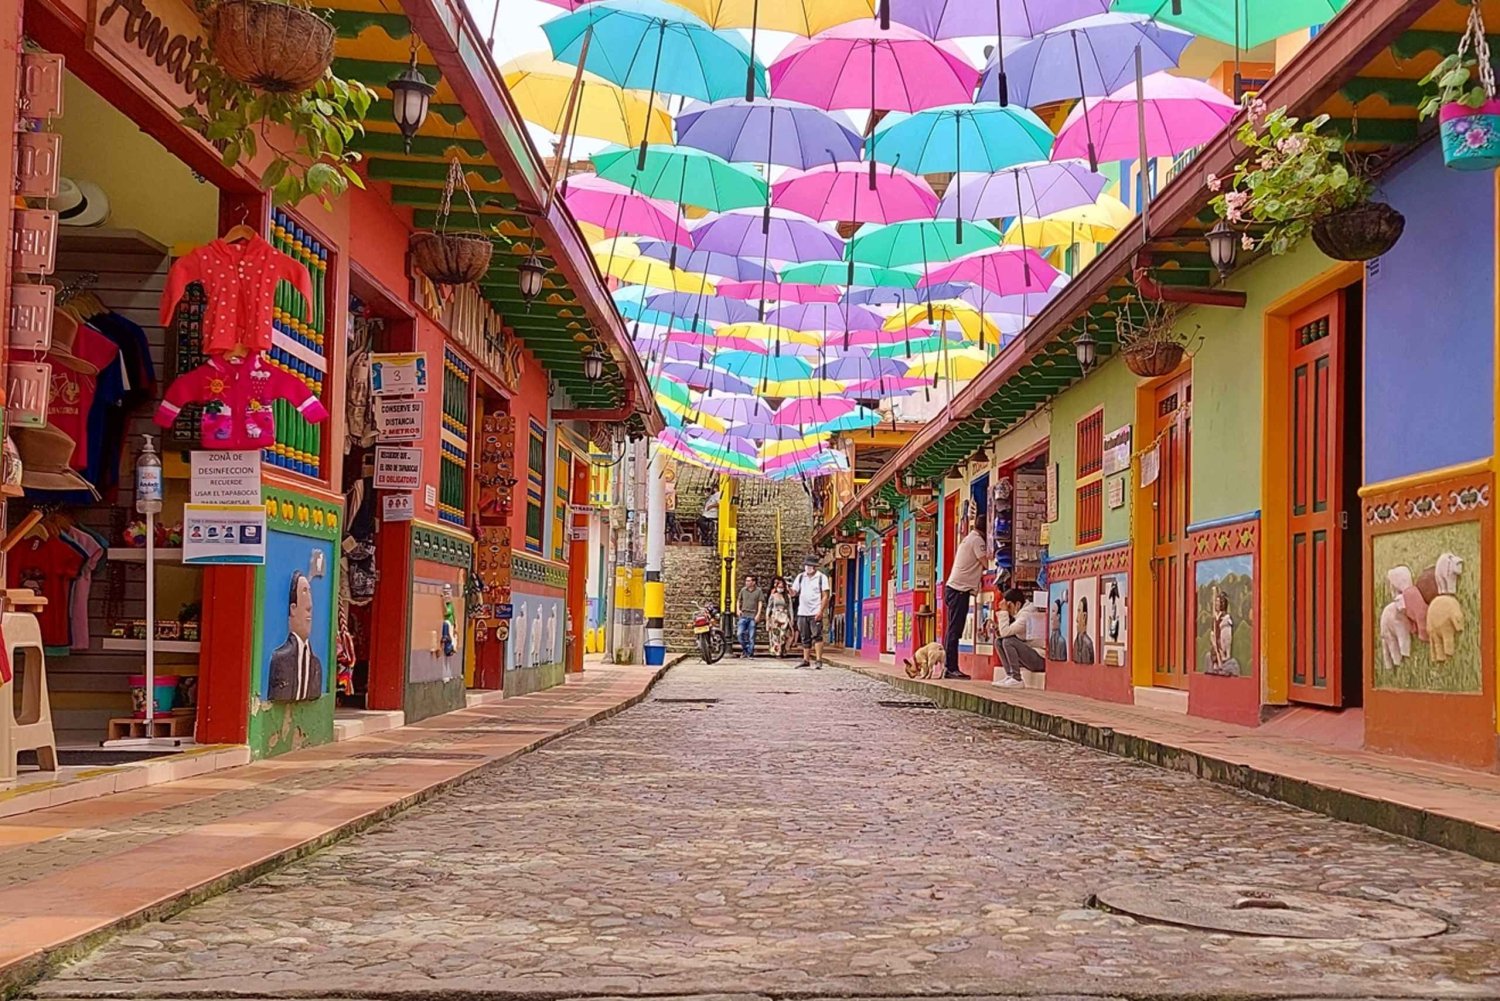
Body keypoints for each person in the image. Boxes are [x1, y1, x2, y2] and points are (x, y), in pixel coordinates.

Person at [943, 517, 989, 679]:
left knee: (952, 630)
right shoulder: (977, 541)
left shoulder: (968, 539)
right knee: (954, 631)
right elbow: (986, 562)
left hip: (954, 589)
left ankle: (948, 666)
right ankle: (951, 668)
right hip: (958, 591)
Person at [268, 571, 324, 701]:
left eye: (309, 591)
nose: (309, 604)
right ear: (293, 608)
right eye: (304, 591)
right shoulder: (280, 660)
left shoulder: (316, 665)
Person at [995, 587, 1044, 688]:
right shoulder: (1020, 615)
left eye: (1009, 606)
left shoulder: (1026, 616)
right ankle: (1010, 675)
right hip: (1031, 653)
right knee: (999, 641)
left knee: (1008, 641)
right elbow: (1003, 634)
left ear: (1017, 604)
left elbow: (1005, 632)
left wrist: (1003, 612)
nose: (1008, 611)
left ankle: (1016, 678)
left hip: (1040, 658)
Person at [791, 556, 832, 668]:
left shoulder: (821, 578)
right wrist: (788, 588)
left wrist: (821, 611)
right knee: (805, 636)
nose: (808, 568)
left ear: (814, 567)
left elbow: (825, 596)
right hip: (802, 611)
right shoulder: (800, 577)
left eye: (810, 566)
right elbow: (794, 593)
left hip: (815, 610)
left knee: (817, 635)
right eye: (806, 565)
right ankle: (806, 659)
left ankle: (819, 660)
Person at [736, 574, 765, 658]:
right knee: (739, 634)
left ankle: (749, 653)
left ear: (753, 582)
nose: (747, 582)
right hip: (744, 615)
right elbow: (738, 600)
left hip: (753, 615)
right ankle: (745, 649)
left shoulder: (758, 591)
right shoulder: (743, 590)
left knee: (751, 636)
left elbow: (760, 602)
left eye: (749, 581)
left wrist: (758, 614)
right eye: (746, 581)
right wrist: (738, 609)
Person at [765, 578, 792, 657]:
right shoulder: (773, 596)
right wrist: (767, 617)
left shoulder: (788, 597)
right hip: (775, 616)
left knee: (783, 635)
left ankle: (783, 649)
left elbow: (790, 608)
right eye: (779, 587)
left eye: (782, 587)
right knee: (775, 635)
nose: (781, 589)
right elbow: (769, 607)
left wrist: (791, 618)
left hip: (784, 616)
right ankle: (777, 651)